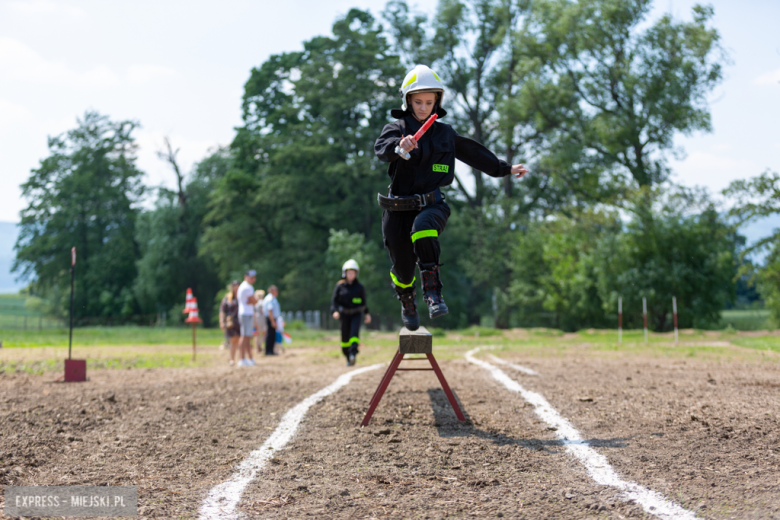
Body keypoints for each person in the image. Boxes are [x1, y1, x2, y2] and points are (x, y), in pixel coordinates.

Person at [374, 64, 528, 330]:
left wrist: (505, 168)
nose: (423, 107)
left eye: (429, 102)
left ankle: (433, 292)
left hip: (432, 206)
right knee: (402, 268)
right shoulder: (396, 128)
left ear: (437, 102)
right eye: (418, 101)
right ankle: (407, 298)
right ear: (408, 100)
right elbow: (381, 148)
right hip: (397, 209)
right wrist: (400, 146)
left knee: (423, 230)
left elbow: (473, 153)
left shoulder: (446, 133)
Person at [331, 259, 371, 366]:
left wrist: (367, 314)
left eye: (353, 272)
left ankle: (353, 353)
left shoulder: (360, 287)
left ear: (356, 273)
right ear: (345, 273)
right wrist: (334, 311)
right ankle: (347, 356)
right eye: (349, 272)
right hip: (344, 315)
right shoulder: (340, 286)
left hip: (356, 314)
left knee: (354, 333)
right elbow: (334, 301)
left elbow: (363, 302)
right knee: (345, 338)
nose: (351, 274)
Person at [237, 270, 259, 366]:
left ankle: (248, 358)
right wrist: (255, 300)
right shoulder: (248, 287)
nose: (253, 279)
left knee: (247, 336)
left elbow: (250, 301)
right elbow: (254, 301)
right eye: (251, 277)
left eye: (254, 277)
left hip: (245, 313)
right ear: (246, 277)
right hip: (246, 313)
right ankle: (242, 358)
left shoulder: (244, 286)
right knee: (245, 336)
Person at [219, 281, 241, 365]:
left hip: (241, 320)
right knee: (233, 340)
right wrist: (221, 321)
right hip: (232, 321)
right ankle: (232, 359)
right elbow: (222, 310)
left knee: (242, 340)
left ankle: (241, 358)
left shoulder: (242, 296)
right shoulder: (228, 297)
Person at [262, 285, 281, 356]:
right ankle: (268, 351)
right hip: (271, 318)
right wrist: (272, 321)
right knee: (270, 335)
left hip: (272, 318)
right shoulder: (270, 298)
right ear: (273, 291)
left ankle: (271, 350)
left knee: (272, 334)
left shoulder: (272, 298)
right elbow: (270, 311)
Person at [253, 289, 267, 354]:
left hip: (255, 317)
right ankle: (260, 344)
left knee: (257, 333)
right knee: (264, 332)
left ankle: (257, 347)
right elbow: (263, 311)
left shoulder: (255, 302)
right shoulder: (262, 302)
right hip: (261, 317)